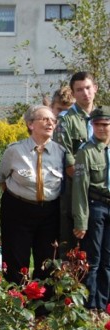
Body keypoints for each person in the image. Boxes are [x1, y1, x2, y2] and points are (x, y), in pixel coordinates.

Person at [0, 105, 65, 292]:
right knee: (16, 259)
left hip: (49, 212)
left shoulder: (61, 152)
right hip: (18, 209)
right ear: (30, 124)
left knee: (47, 259)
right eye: (44, 119)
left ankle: (42, 307)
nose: (50, 123)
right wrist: (24, 197)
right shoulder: (15, 151)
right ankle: (15, 303)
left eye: (53, 120)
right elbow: (2, 180)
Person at [55, 72, 98, 256]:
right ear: (73, 93)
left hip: (101, 191)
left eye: (88, 88)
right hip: (74, 189)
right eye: (79, 90)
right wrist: (86, 184)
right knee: (72, 244)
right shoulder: (66, 120)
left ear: (95, 88)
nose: (85, 93)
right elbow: (66, 158)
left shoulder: (103, 118)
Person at [72, 106, 110, 312]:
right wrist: (81, 220)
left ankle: (104, 305)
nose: (102, 129)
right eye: (97, 125)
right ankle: (91, 306)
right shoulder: (85, 152)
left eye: (105, 125)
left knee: (108, 260)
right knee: (93, 261)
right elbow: (79, 189)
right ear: (91, 126)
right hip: (96, 207)